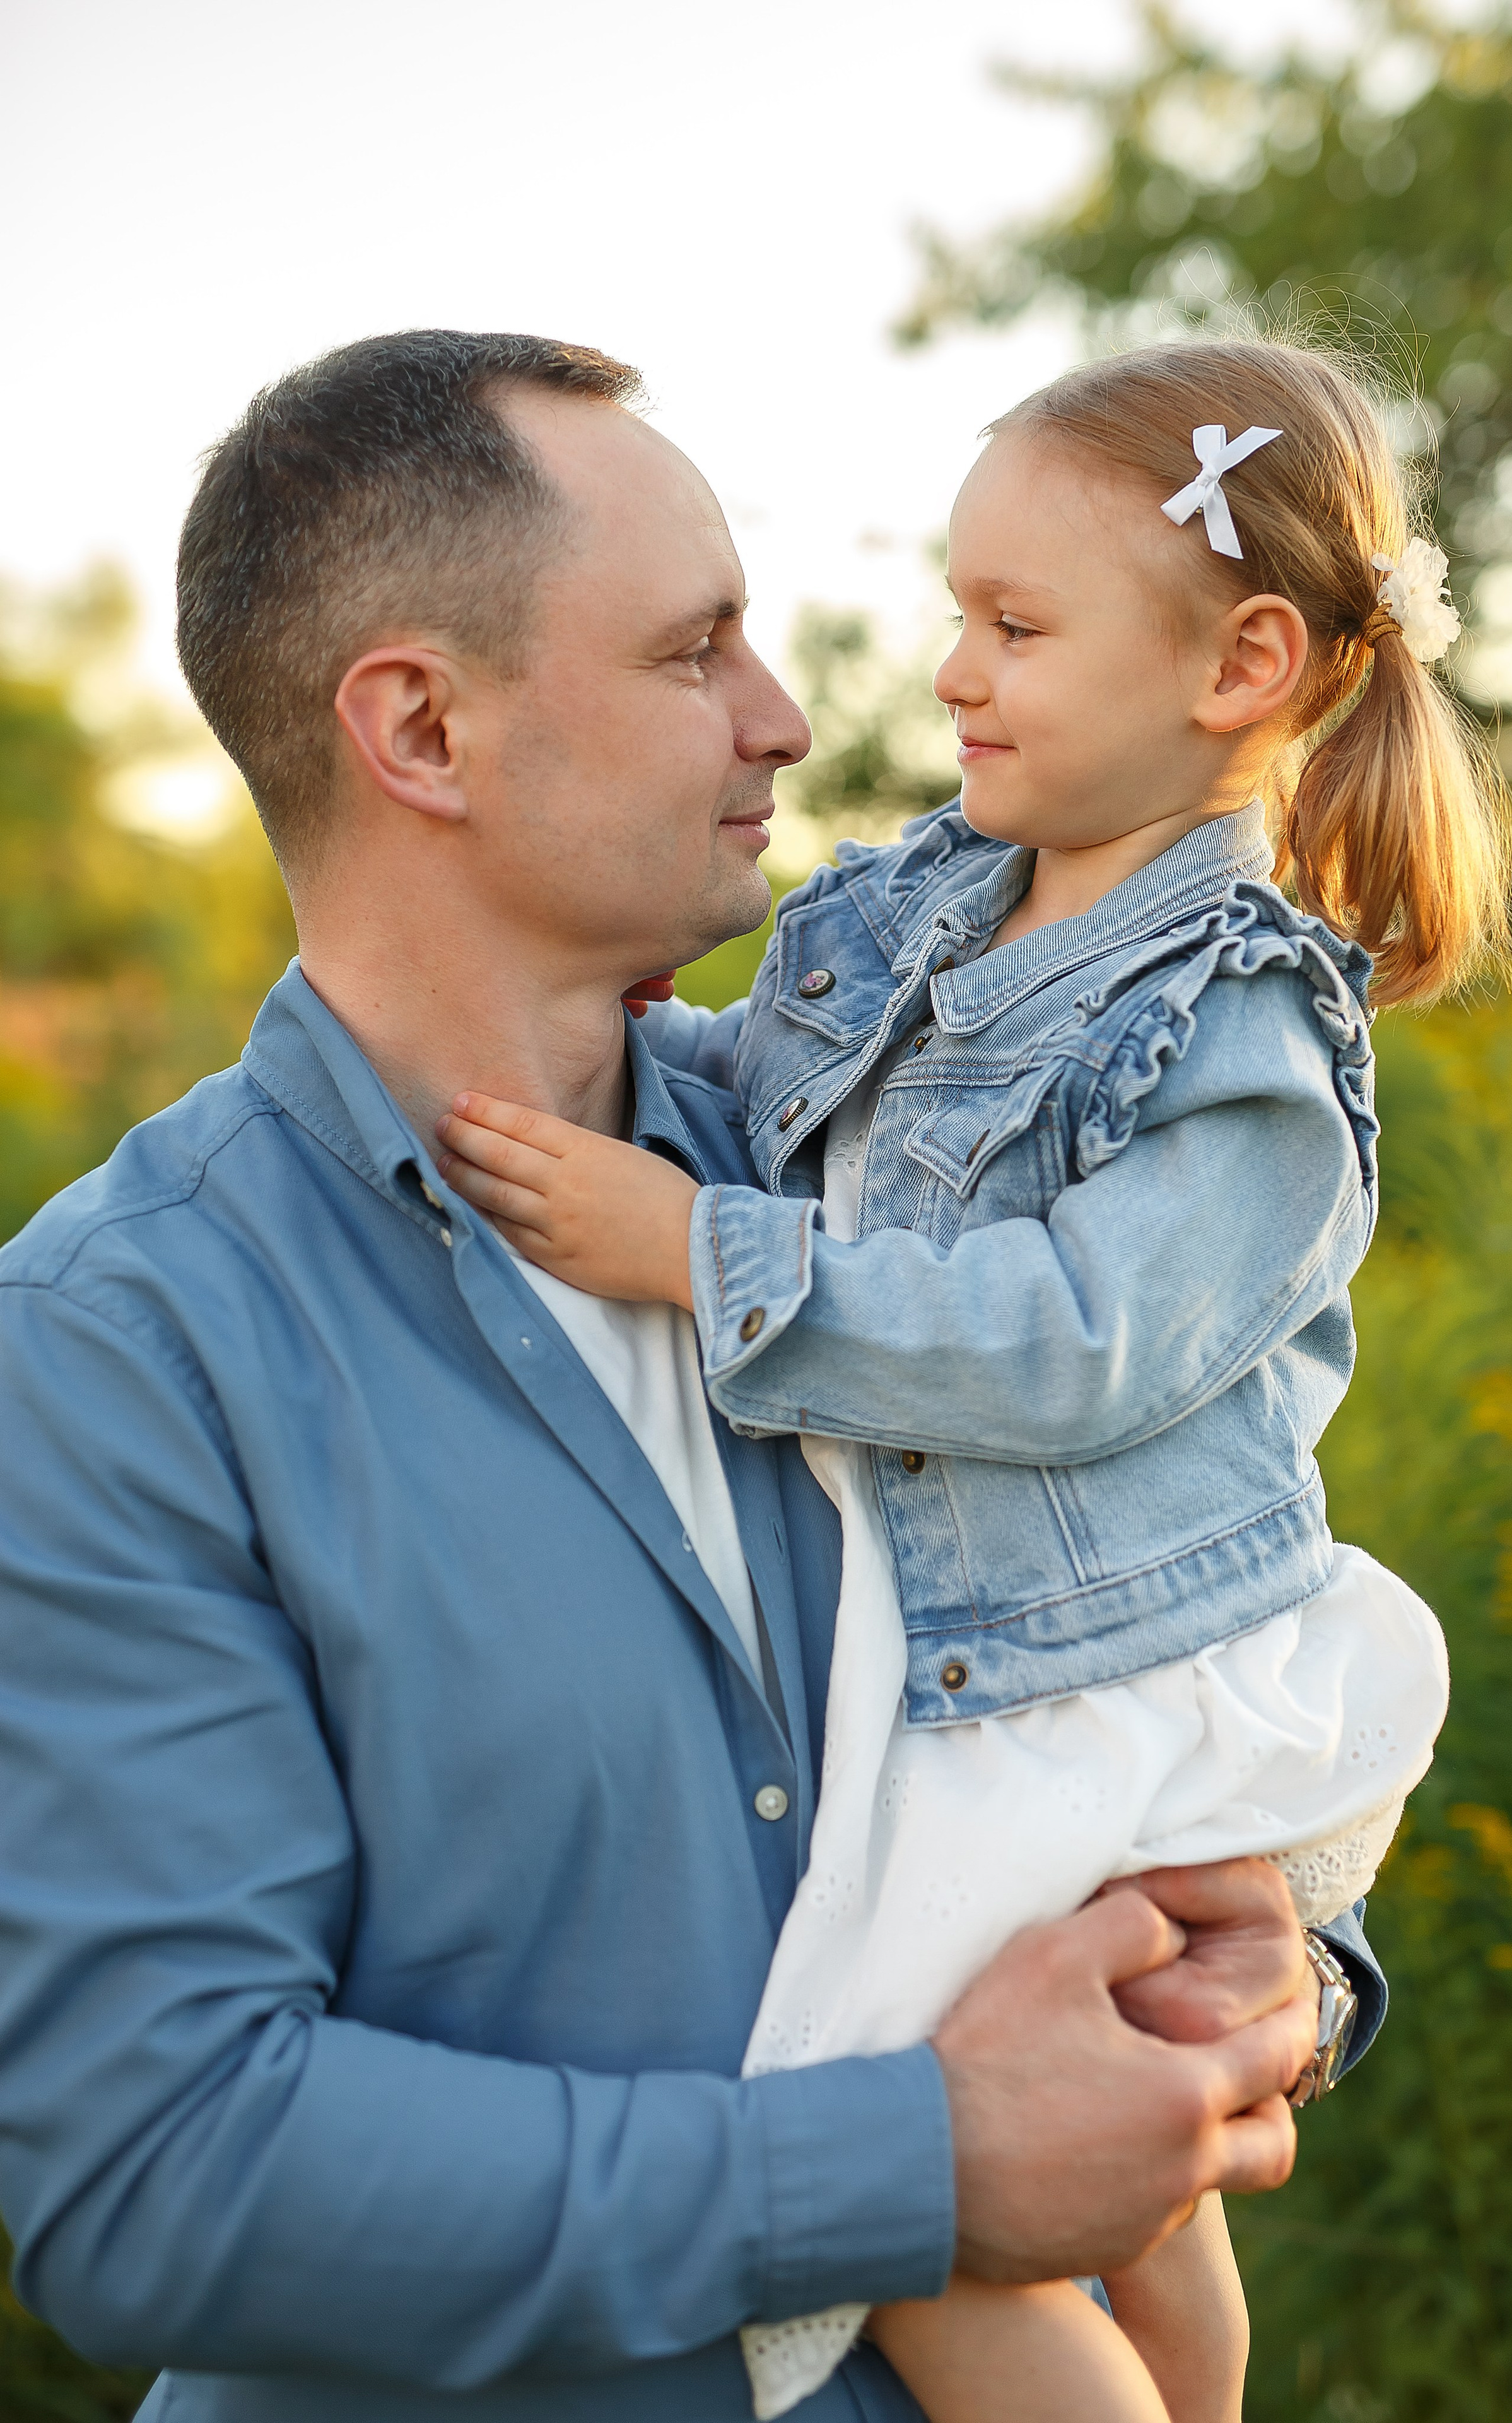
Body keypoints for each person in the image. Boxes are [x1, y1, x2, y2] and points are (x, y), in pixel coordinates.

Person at [0, 332, 1355, 2422]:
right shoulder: (122, 1342)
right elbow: (156, 2179)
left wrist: (1287, 1981)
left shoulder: (898, 1189)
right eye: (695, 649)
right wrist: (920, 2172)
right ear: (422, 728)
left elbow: (1165, 1634)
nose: (793, 718)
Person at [434, 338, 1512, 2422]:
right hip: (991, 1664)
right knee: (1129, 2193)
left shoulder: (1246, 1022)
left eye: (1017, 625)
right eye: (961, 612)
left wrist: (702, 1262)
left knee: (899, 2168)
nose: (949, 670)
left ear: (1243, 664)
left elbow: (1076, 1340)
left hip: (1088, 1677)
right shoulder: (934, 893)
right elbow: (765, 1086)